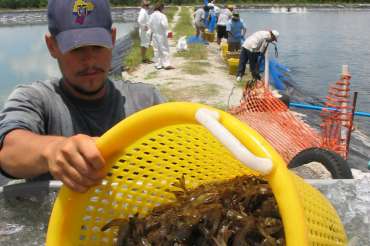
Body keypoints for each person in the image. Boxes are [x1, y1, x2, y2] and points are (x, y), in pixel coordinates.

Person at [0, 0, 164, 193]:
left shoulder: (147, 100)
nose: (89, 59)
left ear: (112, 39)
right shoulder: (35, 99)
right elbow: (9, 151)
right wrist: (54, 150)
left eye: (97, 46)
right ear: (52, 46)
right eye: (76, 48)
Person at [148, 3, 174, 70]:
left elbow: (149, 25)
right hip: (161, 34)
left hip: (154, 34)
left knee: (156, 50)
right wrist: (168, 31)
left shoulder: (151, 15)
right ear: (161, 8)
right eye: (163, 8)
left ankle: (158, 64)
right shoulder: (162, 16)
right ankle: (166, 64)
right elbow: (164, 25)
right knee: (164, 49)